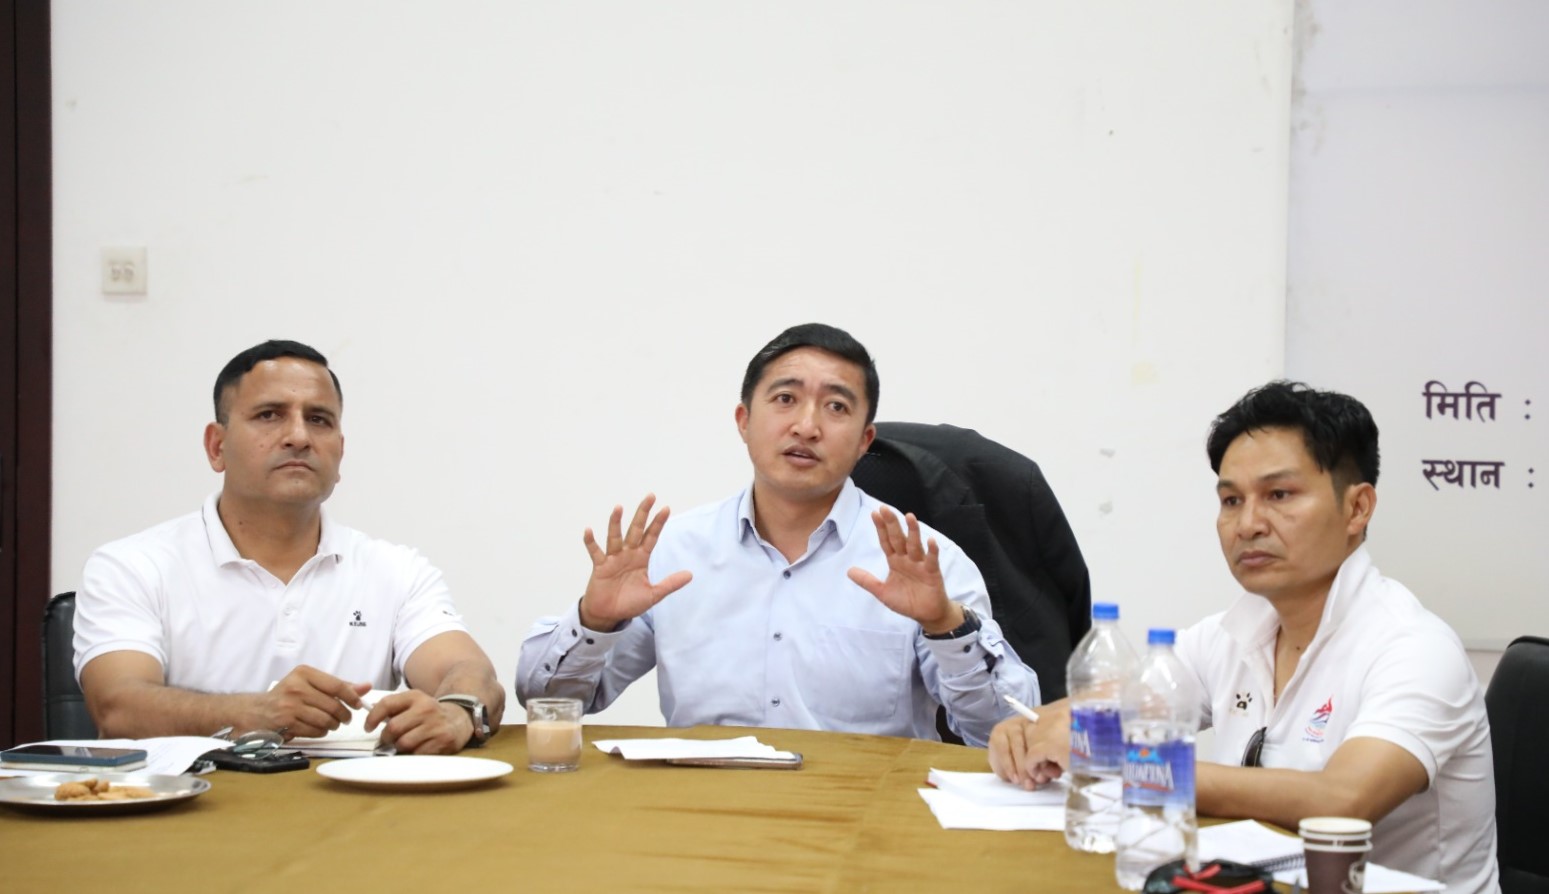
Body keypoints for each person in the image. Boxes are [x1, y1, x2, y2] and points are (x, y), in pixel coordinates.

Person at [987, 381, 1498, 893]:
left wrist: (1130, 760)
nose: (1248, 524)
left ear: (1357, 508)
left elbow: (1342, 801)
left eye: (1279, 495)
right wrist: (1027, 730)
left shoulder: (1415, 648)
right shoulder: (1231, 633)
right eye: (1231, 500)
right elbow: (1098, 714)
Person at [516, 323, 1038, 746]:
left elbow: (1008, 731)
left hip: (859, 817)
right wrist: (596, 620)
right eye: (785, 398)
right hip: (700, 812)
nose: (807, 426)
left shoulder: (927, 563)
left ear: (864, 441)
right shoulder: (675, 550)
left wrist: (945, 625)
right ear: (744, 420)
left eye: (836, 407)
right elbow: (546, 702)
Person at [75, 340, 505, 754]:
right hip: (194, 799)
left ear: (340, 453)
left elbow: (470, 672)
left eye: (319, 419)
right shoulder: (132, 566)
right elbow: (118, 708)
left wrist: (457, 713)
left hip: (354, 798)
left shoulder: (397, 570)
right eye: (269, 415)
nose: (298, 436)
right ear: (217, 446)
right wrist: (256, 714)